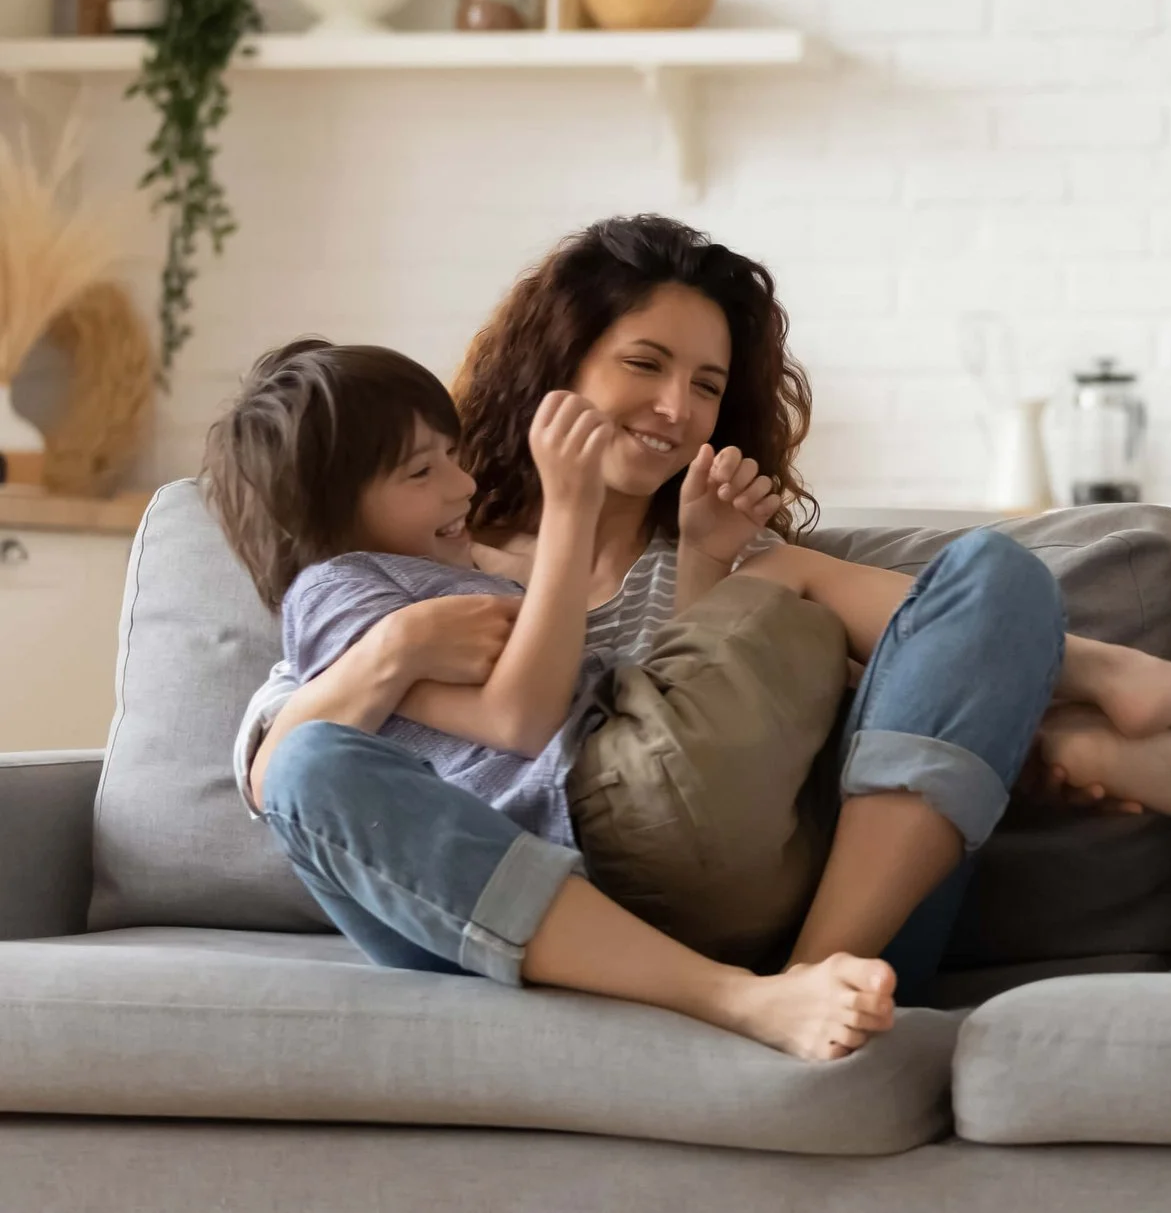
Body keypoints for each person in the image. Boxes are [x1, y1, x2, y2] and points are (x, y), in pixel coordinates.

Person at [234, 216, 1171, 1011]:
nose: (676, 407)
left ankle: (813, 973)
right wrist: (392, 652)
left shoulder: (736, 556)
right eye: (644, 363)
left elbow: (891, 707)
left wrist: (718, 567)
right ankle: (1071, 708)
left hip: (824, 928)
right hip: (531, 926)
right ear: (558, 365)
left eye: (707, 385)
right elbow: (289, 749)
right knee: (312, 758)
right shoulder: (428, 565)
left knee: (989, 578)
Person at [204, 339, 909, 1060]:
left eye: (452, 454)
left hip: (584, 854)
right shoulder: (338, 589)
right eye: (422, 470)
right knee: (312, 762)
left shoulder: (447, 577)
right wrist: (571, 509)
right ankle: (735, 998)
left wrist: (700, 559)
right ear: (325, 510)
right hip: (474, 901)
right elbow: (521, 720)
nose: (462, 485)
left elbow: (604, 710)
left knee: (825, 612)